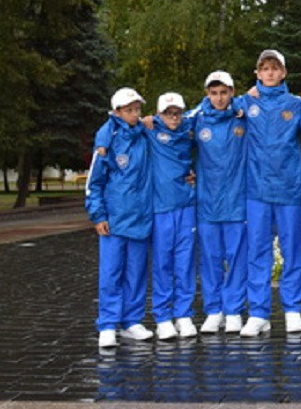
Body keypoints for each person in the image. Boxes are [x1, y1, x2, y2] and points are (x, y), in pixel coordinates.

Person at [240, 49, 301, 337]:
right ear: (257, 73)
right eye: (264, 68)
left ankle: (292, 309)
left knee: (291, 249)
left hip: (289, 189)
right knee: (257, 251)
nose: (269, 73)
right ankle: (258, 313)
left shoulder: (297, 104)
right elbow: (209, 113)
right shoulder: (245, 102)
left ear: (283, 73)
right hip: (257, 190)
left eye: (274, 68)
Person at [85, 87, 154, 348]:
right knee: (112, 272)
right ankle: (108, 323)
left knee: (136, 273)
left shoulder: (145, 134)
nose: (134, 114)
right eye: (128, 110)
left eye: (137, 109)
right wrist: (97, 214)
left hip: (140, 217)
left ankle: (132, 321)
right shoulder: (108, 136)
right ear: (117, 112)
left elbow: (177, 123)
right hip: (114, 220)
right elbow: (95, 180)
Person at [192, 71, 248, 334]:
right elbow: (169, 125)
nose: (219, 98)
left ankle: (234, 310)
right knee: (210, 258)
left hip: (237, 201)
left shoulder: (243, 116)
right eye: (213, 93)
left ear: (232, 92)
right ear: (207, 94)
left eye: (224, 92)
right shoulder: (197, 119)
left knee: (236, 257)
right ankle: (214, 310)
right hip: (208, 202)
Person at [147, 92, 198, 340]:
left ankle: (184, 314)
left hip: (186, 206)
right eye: (168, 113)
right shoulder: (150, 131)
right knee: (163, 263)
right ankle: (163, 316)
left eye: (177, 112)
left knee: (185, 262)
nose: (173, 117)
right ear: (159, 115)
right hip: (161, 209)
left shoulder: (189, 130)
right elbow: (120, 123)